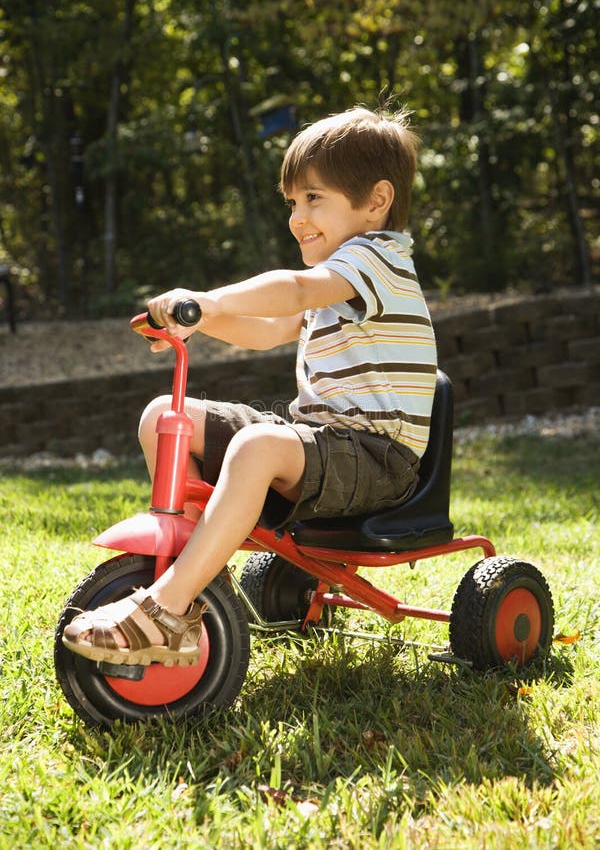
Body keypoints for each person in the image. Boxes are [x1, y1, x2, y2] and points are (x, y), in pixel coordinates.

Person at [62, 105, 438, 666]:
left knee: (258, 445)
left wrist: (211, 299)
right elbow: (271, 330)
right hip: (324, 443)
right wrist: (200, 319)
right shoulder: (338, 280)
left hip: (378, 458)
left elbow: (290, 292)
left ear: (376, 202)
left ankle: (170, 605)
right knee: (165, 416)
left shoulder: (375, 260)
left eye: (314, 198)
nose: (296, 217)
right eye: (292, 202)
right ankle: (194, 578)